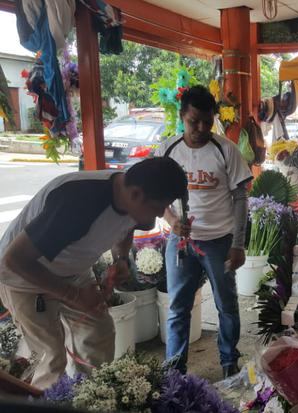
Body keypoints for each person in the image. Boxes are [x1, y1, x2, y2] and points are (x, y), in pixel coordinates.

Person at [0, 157, 187, 388]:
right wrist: (74, 296)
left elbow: (127, 227)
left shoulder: (134, 199)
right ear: (137, 194)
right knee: (50, 356)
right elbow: (13, 259)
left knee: (98, 332)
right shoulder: (77, 203)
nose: (161, 215)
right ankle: (44, 402)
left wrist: (120, 259)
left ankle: (87, 397)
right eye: (160, 206)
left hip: (73, 270)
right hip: (24, 276)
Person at [155, 85, 253, 378]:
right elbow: (156, 196)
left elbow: (240, 198)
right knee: (178, 309)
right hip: (182, 242)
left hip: (220, 243)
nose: (200, 128)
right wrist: (172, 219)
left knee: (227, 306)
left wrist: (238, 244)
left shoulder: (226, 149)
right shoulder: (168, 150)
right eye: (193, 121)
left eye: (207, 122)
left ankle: (228, 362)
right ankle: (175, 371)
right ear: (182, 115)